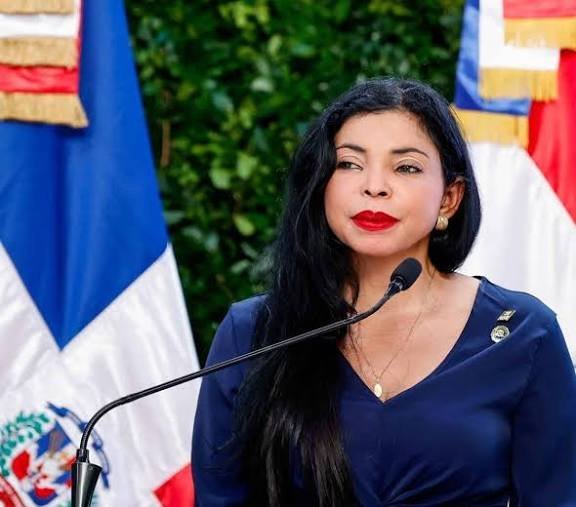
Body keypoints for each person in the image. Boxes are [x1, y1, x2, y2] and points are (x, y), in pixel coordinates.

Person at [191, 77, 576, 506]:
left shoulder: (523, 334)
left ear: (449, 198)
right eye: (349, 164)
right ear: (321, 183)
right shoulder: (252, 333)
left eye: (406, 167)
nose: (374, 186)